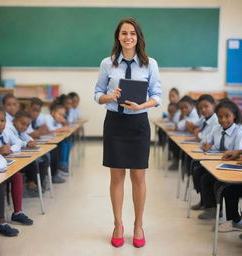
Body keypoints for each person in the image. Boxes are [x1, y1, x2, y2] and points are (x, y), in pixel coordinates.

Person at [94, 17, 161, 248]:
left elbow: (157, 96)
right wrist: (109, 97)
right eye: (124, 33)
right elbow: (97, 94)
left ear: (138, 37)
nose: (128, 37)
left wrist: (142, 105)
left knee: (139, 177)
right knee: (116, 177)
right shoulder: (107, 63)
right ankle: (118, 224)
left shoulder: (150, 63)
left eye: (132, 33)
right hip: (115, 122)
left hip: (139, 123)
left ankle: (138, 225)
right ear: (118, 37)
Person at [195, 100, 242, 219]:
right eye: (220, 116)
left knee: (218, 184)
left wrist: (233, 153)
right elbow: (203, 142)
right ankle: (210, 207)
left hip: (231, 169)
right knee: (202, 175)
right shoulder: (217, 128)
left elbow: (238, 153)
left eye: (227, 116)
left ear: (234, 116)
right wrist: (205, 145)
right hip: (217, 163)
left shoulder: (238, 132)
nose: (223, 120)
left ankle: (227, 216)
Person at [0, 106, 33, 224]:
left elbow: (18, 143)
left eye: (2, 121)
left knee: (17, 175)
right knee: (1, 182)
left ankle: (17, 213)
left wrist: (9, 149)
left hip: (0, 166)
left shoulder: (6, 133)